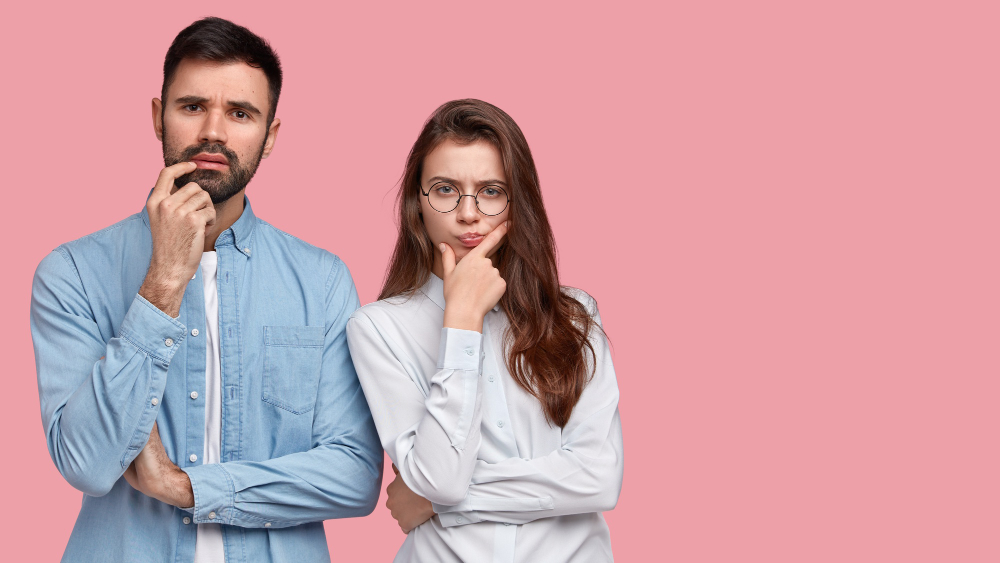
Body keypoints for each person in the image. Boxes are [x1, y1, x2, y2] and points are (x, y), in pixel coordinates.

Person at [30, 17, 382, 563]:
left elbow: (355, 476)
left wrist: (186, 487)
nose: (214, 131)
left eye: (241, 113)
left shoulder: (323, 280)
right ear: (157, 116)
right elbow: (86, 463)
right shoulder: (73, 273)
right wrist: (163, 282)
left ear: (270, 137)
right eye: (192, 106)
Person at [346, 99, 623, 562]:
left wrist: (435, 503)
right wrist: (462, 322)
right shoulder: (378, 328)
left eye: (491, 191)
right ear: (418, 202)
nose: (468, 213)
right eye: (445, 189)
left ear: (519, 201)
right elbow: (442, 476)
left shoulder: (575, 315)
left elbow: (598, 478)